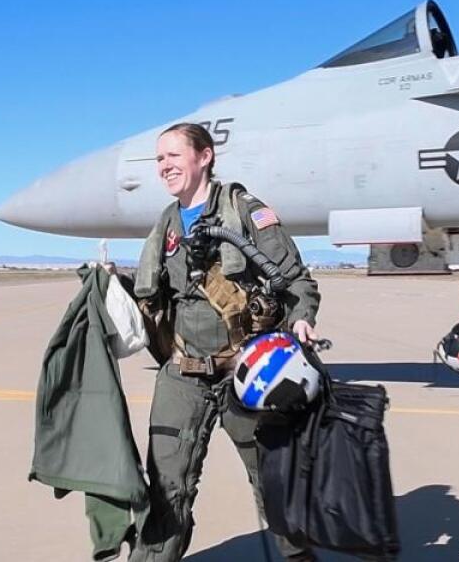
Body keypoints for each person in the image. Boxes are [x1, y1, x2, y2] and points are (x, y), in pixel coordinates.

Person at [128, 122, 320, 561]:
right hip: (183, 372)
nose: (164, 166)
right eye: (159, 159)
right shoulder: (166, 226)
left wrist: (302, 319)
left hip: (246, 374)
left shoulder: (244, 212)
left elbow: (295, 280)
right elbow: (155, 296)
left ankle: (297, 554)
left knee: (273, 479)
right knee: (166, 483)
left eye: (173, 156)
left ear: (204, 156)